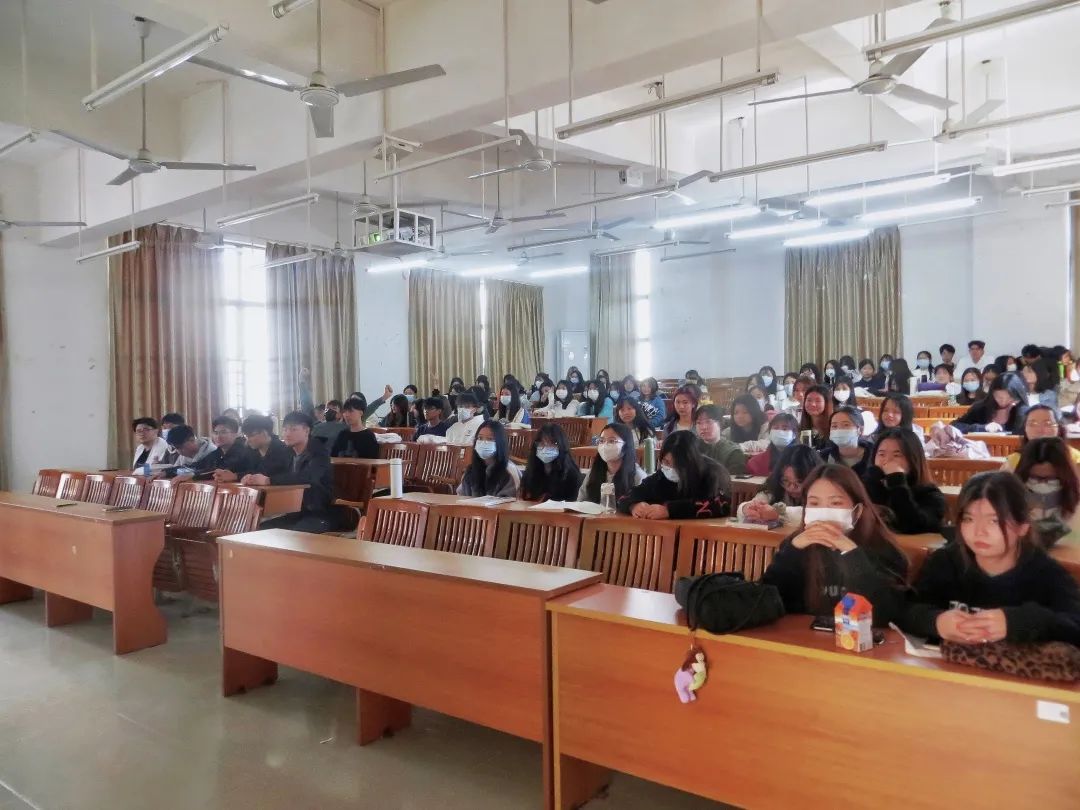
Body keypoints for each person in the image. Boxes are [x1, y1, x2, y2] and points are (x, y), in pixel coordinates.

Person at [902, 472, 1080, 645]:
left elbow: (1074, 623)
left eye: (994, 521)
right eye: (969, 519)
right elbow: (906, 610)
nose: (979, 532)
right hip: (948, 663)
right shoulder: (945, 562)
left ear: (1023, 527)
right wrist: (936, 622)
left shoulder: (1045, 573)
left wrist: (1016, 622)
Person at [761, 464, 909, 626]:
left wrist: (851, 552)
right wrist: (792, 550)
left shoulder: (881, 547)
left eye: (836, 503)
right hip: (803, 636)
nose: (824, 511)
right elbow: (766, 601)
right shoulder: (796, 545)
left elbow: (887, 612)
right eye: (814, 503)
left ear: (857, 511)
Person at [244, 411, 340, 533]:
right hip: (295, 511)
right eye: (285, 429)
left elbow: (308, 477)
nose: (287, 434)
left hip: (320, 513)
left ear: (306, 430)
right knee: (259, 529)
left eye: (293, 429)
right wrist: (249, 477)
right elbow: (268, 470)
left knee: (295, 534)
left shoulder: (319, 452)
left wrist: (268, 480)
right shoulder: (287, 452)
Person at [618, 431, 731, 520]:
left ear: (692, 462)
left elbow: (720, 505)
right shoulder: (661, 476)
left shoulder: (713, 475)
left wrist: (669, 510)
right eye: (666, 462)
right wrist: (633, 505)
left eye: (678, 465)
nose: (671, 468)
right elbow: (625, 497)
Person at [862, 428, 946, 535]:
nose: (887, 461)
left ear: (913, 459)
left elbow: (914, 526)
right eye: (881, 454)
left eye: (897, 455)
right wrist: (871, 483)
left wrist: (897, 482)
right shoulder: (869, 484)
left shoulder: (930, 493)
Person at [1013, 437, 1080, 547]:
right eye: (1034, 478)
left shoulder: (1076, 504)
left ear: (1065, 477)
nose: (1042, 485)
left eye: (1050, 479)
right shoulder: (1010, 500)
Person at [737, 444, 823, 527]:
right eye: (785, 481)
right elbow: (751, 505)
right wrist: (747, 508)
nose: (791, 488)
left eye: (799, 482)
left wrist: (777, 514)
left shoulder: (823, 492)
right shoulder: (775, 488)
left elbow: (814, 515)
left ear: (814, 479)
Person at [577, 423, 647, 503]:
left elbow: (641, 507)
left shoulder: (638, 476)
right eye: (601, 441)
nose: (605, 445)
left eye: (612, 441)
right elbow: (580, 501)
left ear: (626, 445)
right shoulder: (594, 472)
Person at [213, 414, 291, 482]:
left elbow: (266, 472)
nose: (248, 440)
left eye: (251, 435)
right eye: (246, 436)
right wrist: (224, 473)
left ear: (264, 433)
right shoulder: (250, 450)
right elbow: (240, 466)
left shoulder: (281, 449)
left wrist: (235, 476)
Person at [1000, 405, 1080, 469]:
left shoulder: (1074, 458)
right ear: (1025, 429)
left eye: (1047, 424)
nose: (1040, 430)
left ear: (1059, 428)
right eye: (1032, 424)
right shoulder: (1014, 461)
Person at [456, 420, 521, 498]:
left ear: (500, 442)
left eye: (490, 439)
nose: (484, 442)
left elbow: (510, 502)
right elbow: (460, 497)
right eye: (480, 438)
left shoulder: (509, 472)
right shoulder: (471, 470)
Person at [520, 424, 582, 502]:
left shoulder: (571, 474)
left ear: (561, 445)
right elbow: (526, 498)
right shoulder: (532, 469)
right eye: (541, 442)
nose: (546, 447)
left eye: (552, 443)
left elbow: (573, 503)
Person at [952, 372, 1028, 434]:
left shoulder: (1024, 411)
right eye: (999, 397)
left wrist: (1020, 415)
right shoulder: (981, 408)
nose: (1003, 401)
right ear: (992, 394)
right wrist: (982, 428)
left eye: (1009, 398)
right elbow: (955, 426)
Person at [819, 406, 874, 477]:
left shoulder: (874, 456)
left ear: (860, 430)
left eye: (846, 425)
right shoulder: (823, 457)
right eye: (834, 426)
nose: (839, 430)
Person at [694, 404, 748, 475]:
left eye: (708, 422)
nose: (703, 427)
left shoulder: (733, 452)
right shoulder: (692, 448)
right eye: (699, 423)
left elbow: (733, 480)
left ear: (720, 423)